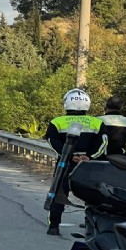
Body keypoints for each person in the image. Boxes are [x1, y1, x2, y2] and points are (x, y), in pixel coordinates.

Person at [43, 88, 108, 236]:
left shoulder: (57, 122)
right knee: (91, 195)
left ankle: (54, 226)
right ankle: (89, 225)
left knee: (58, 193)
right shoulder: (97, 122)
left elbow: (52, 141)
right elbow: (103, 143)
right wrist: (90, 157)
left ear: (67, 103)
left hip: (65, 164)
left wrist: (68, 155)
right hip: (89, 166)